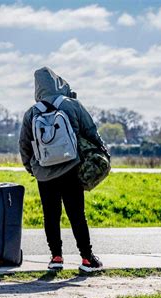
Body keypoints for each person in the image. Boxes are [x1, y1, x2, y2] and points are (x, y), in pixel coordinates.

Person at [19, 67, 108, 272]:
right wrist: (102, 152)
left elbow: (24, 145)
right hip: (71, 168)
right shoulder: (71, 105)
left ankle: (56, 257)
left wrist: (32, 169)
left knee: (51, 215)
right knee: (77, 214)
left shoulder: (32, 113)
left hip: (44, 171)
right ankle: (87, 259)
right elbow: (91, 131)